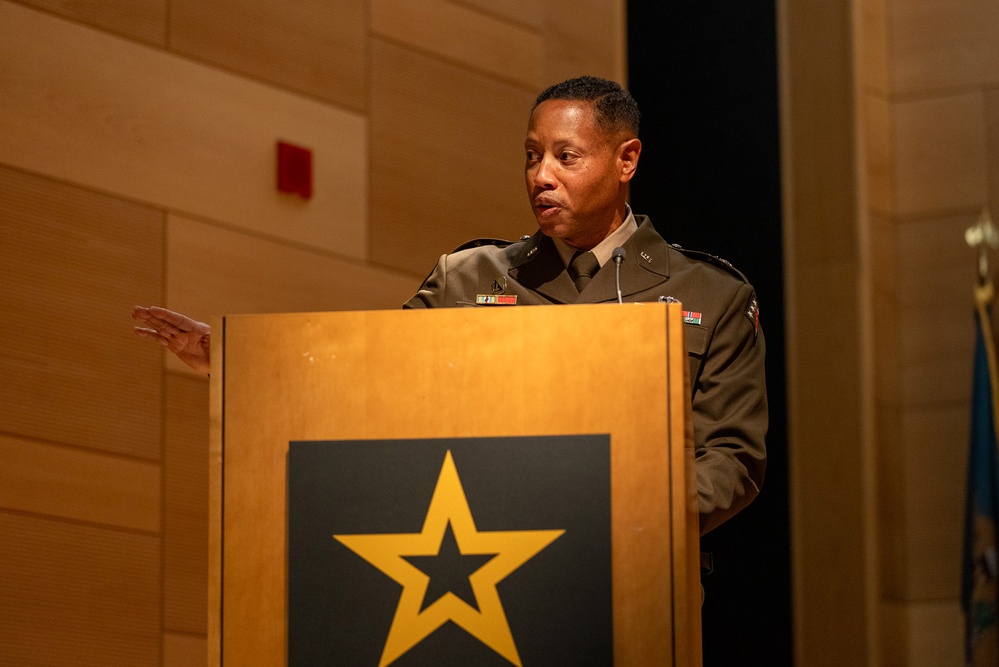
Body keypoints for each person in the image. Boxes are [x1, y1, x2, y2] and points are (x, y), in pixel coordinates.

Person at [133, 75, 767, 534]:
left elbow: (732, 461)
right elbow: (374, 380)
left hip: (633, 583)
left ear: (626, 159)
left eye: (565, 157)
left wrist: (619, 516)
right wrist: (239, 363)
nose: (540, 175)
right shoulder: (469, 277)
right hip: (466, 558)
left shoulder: (709, 295)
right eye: (531, 155)